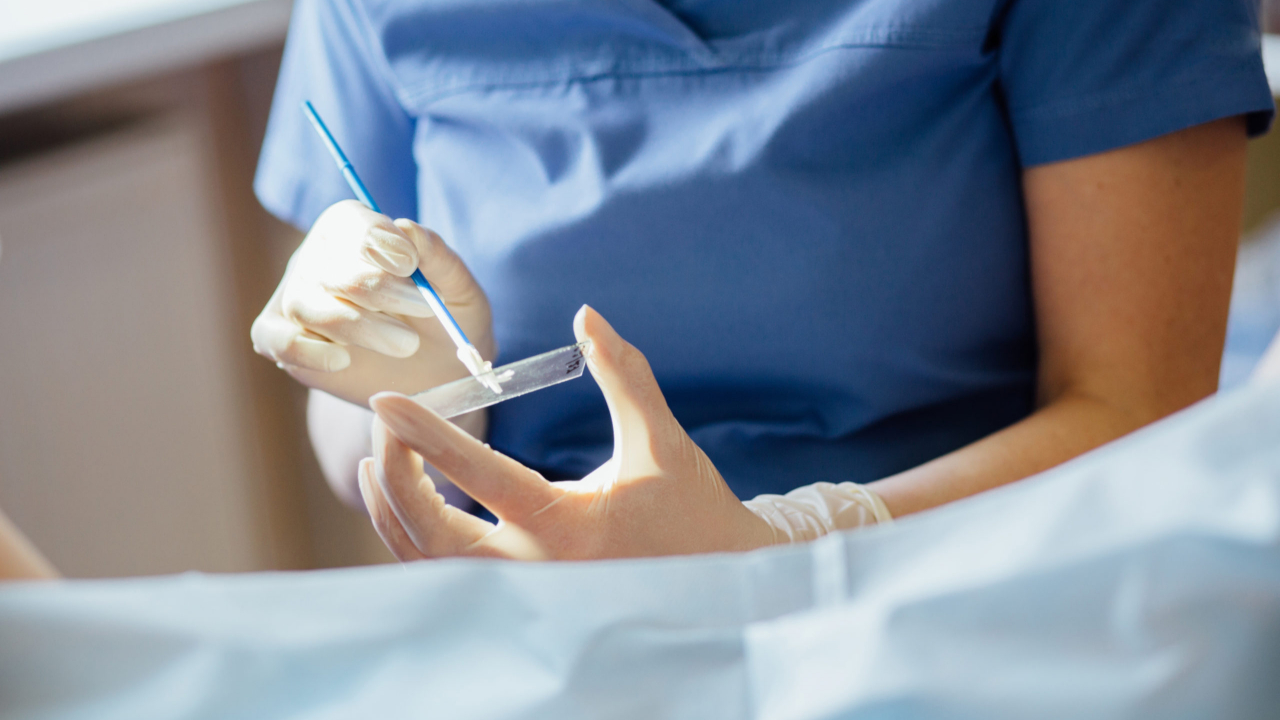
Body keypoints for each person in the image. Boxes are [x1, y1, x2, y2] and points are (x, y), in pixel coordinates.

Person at [251, 0, 1274, 557]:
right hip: (549, 642)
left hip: (965, 589)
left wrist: (795, 538)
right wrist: (414, 398)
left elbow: (1137, 404)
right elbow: (362, 455)